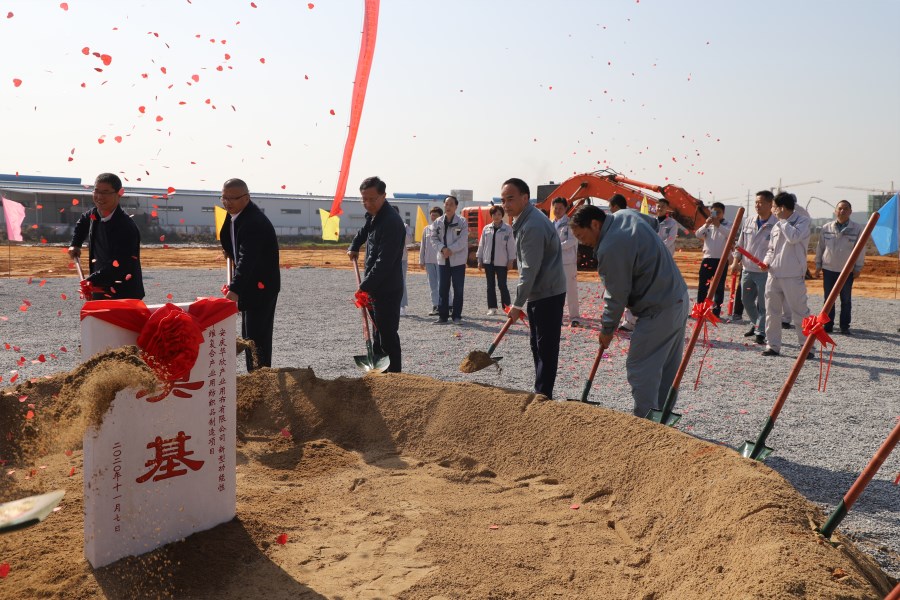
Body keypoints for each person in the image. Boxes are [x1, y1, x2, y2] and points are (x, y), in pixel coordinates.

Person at [569, 204, 689, 418]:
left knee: (640, 366)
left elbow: (616, 295)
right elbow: (653, 224)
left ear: (595, 224)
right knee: (666, 365)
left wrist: (607, 329)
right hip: (678, 296)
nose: (582, 242)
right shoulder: (625, 215)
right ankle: (662, 418)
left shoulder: (610, 247)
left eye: (581, 236)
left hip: (657, 308)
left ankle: (646, 422)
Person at [501, 178, 567, 399]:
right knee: (537, 345)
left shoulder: (532, 225)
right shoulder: (525, 220)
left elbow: (529, 270)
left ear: (525, 198)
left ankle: (543, 395)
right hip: (540, 292)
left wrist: (517, 304)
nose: (506, 205)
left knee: (545, 348)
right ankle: (541, 390)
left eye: (510, 199)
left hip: (548, 293)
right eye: (503, 200)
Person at [219, 178, 281, 371]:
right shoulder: (235, 214)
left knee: (257, 335)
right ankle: (254, 373)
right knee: (249, 333)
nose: (227, 202)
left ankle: (261, 375)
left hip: (261, 286)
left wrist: (235, 289)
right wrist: (230, 250)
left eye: (232, 198)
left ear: (246, 198)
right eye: (224, 198)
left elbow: (248, 258)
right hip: (249, 284)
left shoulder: (254, 222)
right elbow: (232, 240)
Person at [347, 176, 406, 372]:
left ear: (383, 196)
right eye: (364, 199)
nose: (367, 203)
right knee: (377, 333)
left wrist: (364, 287)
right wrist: (354, 246)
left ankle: (394, 376)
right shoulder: (373, 216)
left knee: (387, 336)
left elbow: (384, 262)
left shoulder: (391, 222)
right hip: (374, 287)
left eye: (372, 199)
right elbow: (364, 231)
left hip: (387, 288)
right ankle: (381, 373)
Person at [68, 172, 145, 301]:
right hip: (99, 288)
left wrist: (92, 280)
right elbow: (82, 222)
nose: (99, 196)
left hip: (124, 293)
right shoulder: (94, 214)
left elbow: (120, 265)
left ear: (118, 194)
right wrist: (75, 244)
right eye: (96, 191)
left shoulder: (126, 227)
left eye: (105, 192)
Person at [761, 192, 812, 358]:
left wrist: (783, 221)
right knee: (772, 312)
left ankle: (806, 347)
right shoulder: (776, 225)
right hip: (774, 274)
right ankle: (772, 345)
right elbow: (771, 249)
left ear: (781, 208)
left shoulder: (802, 221)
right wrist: (766, 261)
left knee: (800, 312)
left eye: (774, 207)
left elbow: (794, 238)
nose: (773, 210)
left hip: (792, 275)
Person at [730, 190, 776, 345]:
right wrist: (735, 261)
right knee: (746, 300)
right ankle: (757, 324)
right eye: (756, 202)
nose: (757, 205)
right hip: (747, 269)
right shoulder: (749, 221)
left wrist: (768, 263)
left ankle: (760, 332)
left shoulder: (776, 224)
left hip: (764, 271)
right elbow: (740, 244)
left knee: (763, 304)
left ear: (770, 204)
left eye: (761, 202)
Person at [607, 194, 658, 331]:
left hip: (631, 261)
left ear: (615, 207)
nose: (609, 209)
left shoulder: (621, 219)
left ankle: (631, 321)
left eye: (610, 206)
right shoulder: (635, 216)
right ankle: (630, 320)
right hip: (636, 260)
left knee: (629, 291)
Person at [815, 200, 865, 334]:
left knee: (846, 299)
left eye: (845, 209)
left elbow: (860, 249)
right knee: (828, 299)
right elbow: (820, 247)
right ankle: (828, 325)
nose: (842, 211)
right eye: (840, 208)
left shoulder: (857, 229)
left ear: (850, 212)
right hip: (829, 269)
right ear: (835, 211)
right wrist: (818, 265)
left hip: (846, 271)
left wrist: (858, 267)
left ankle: (844, 326)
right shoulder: (826, 228)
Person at [430, 195, 468, 324]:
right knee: (443, 289)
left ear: (456, 206)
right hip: (443, 260)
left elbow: (463, 240)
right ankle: (443, 316)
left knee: (458, 289)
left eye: (451, 204)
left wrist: (450, 249)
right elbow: (433, 238)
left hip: (458, 261)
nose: (448, 206)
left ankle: (456, 316)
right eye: (446, 204)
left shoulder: (462, 222)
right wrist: (442, 249)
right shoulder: (437, 222)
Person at [476, 205, 515, 315]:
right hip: (488, 262)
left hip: (502, 262)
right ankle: (492, 307)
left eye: (499, 214)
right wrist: (479, 259)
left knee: (502, 285)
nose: (496, 216)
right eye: (494, 214)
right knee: (490, 286)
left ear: (502, 215)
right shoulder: (486, 228)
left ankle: (507, 307)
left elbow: (511, 246)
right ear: (491, 215)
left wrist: (511, 260)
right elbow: (482, 245)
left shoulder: (508, 229)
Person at [694, 201, 731, 318]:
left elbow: (730, 234)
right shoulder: (708, 224)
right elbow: (698, 234)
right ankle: (700, 311)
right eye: (713, 212)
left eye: (718, 212)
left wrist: (718, 225)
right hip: (707, 258)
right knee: (703, 286)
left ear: (723, 213)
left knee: (719, 287)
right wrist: (706, 225)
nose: (716, 215)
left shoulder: (728, 224)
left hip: (721, 260)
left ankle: (715, 313)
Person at [552, 197, 581, 327]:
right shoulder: (550, 224)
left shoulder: (570, 224)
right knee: (554, 291)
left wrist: (556, 247)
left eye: (560, 208)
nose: (557, 210)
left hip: (568, 262)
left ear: (566, 209)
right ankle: (557, 315)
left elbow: (572, 241)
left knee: (571, 290)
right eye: (555, 208)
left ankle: (574, 317)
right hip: (553, 262)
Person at [419, 206, 443, 316]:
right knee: (432, 285)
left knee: (443, 284)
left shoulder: (443, 228)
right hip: (429, 261)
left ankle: (448, 305)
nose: (433, 217)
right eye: (432, 215)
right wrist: (421, 260)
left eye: (436, 215)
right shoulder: (426, 229)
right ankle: (435, 305)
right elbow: (423, 246)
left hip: (441, 260)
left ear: (440, 216)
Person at [393, 205, 414, 316]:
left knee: (401, 282)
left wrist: (400, 228)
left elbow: (409, 240)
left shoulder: (405, 226)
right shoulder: (384, 226)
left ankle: (402, 306)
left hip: (401, 259)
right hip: (386, 259)